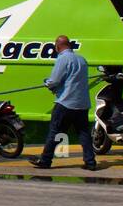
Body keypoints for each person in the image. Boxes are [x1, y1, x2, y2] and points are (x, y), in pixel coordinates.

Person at [29, 35, 98, 171]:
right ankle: (90, 162)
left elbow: (54, 80)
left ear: (58, 46)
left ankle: (45, 160)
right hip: (82, 103)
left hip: (65, 102)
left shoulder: (63, 59)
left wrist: (47, 83)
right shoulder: (81, 59)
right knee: (83, 133)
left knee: (55, 131)